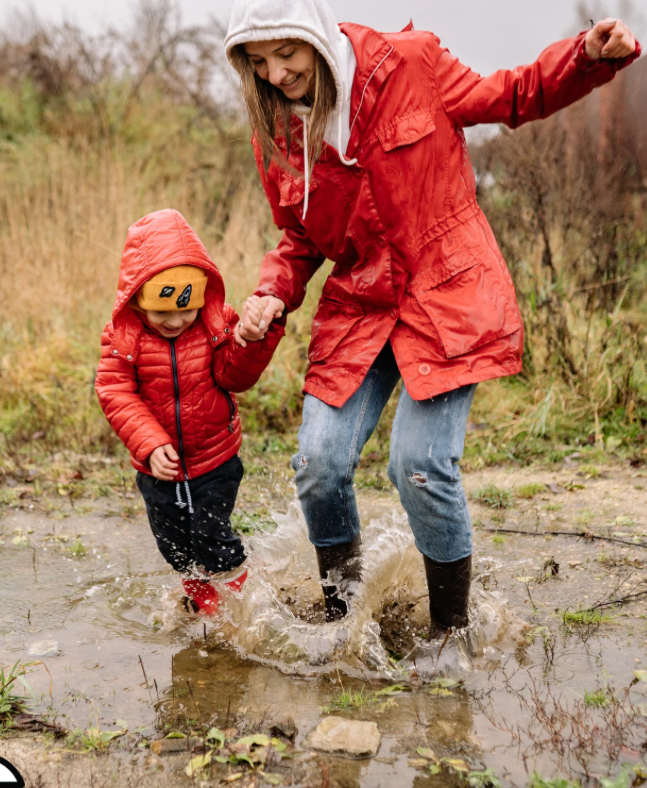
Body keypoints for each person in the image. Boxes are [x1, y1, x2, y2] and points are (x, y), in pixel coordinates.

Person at [224, 0, 639, 646]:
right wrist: (271, 294)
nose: (276, 75)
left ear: (316, 34)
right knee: (317, 463)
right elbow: (299, 237)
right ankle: (343, 623)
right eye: (258, 62)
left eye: (286, 53)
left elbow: (512, 95)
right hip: (361, 304)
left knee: (418, 464)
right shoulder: (276, 128)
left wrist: (583, 58)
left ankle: (450, 636)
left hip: (445, 293)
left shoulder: (410, 65)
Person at [95, 209, 284, 615]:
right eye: (162, 311)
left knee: (213, 538)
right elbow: (114, 390)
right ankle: (203, 601)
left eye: (186, 309)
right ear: (137, 298)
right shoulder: (124, 338)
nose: (176, 320)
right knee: (175, 547)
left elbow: (234, 377)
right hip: (158, 468)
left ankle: (241, 606)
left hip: (215, 458)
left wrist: (249, 341)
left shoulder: (216, 324)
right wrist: (149, 443)